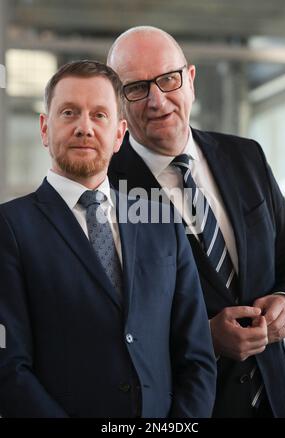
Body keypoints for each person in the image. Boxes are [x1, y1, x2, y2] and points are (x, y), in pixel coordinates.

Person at [0, 60, 217, 418]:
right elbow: (8, 368)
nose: (84, 128)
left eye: (99, 115)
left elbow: (197, 356)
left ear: (119, 135)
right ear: (44, 128)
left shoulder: (162, 223)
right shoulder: (10, 228)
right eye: (69, 112)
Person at [107, 26, 285, 417]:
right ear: (119, 102)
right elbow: (104, 324)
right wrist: (204, 338)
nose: (157, 101)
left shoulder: (246, 156)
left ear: (190, 79)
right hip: (188, 409)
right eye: (137, 88)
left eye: (168, 79)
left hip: (276, 400)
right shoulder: (107, 191)